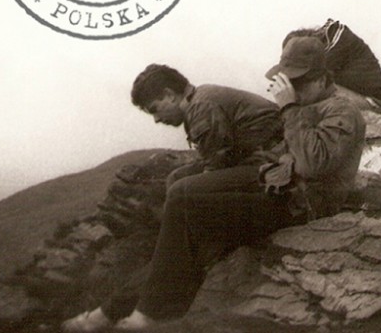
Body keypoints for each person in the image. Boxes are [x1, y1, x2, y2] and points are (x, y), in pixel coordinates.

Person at [65, 39, 366, 331]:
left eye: (297, 82)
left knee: (185, 203)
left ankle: (147, 313)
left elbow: (311, 165)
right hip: (278, 188)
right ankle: (126, 310)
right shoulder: (308, 105)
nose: (291, 90)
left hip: (303, 204)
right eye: (287, 82)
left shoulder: (342, 111)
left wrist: (289, 109)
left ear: (322, 79)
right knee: (187, 221)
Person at [62, 64, 283, 331]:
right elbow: (219, 162)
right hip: (257, 171)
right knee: (177, 181)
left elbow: (216, 169)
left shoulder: (202, 106)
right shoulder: (202, 100)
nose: (156, 119)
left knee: (182, 194)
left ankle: (146, 310)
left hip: (275, 179)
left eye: (154, 109)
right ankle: (140, 294)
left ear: (169, 94)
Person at [283, 19, 381, 112]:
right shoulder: (325, 41)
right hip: (354, 94)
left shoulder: (335, 44)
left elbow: (308, 79)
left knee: (314, 85)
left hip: (373, 104)